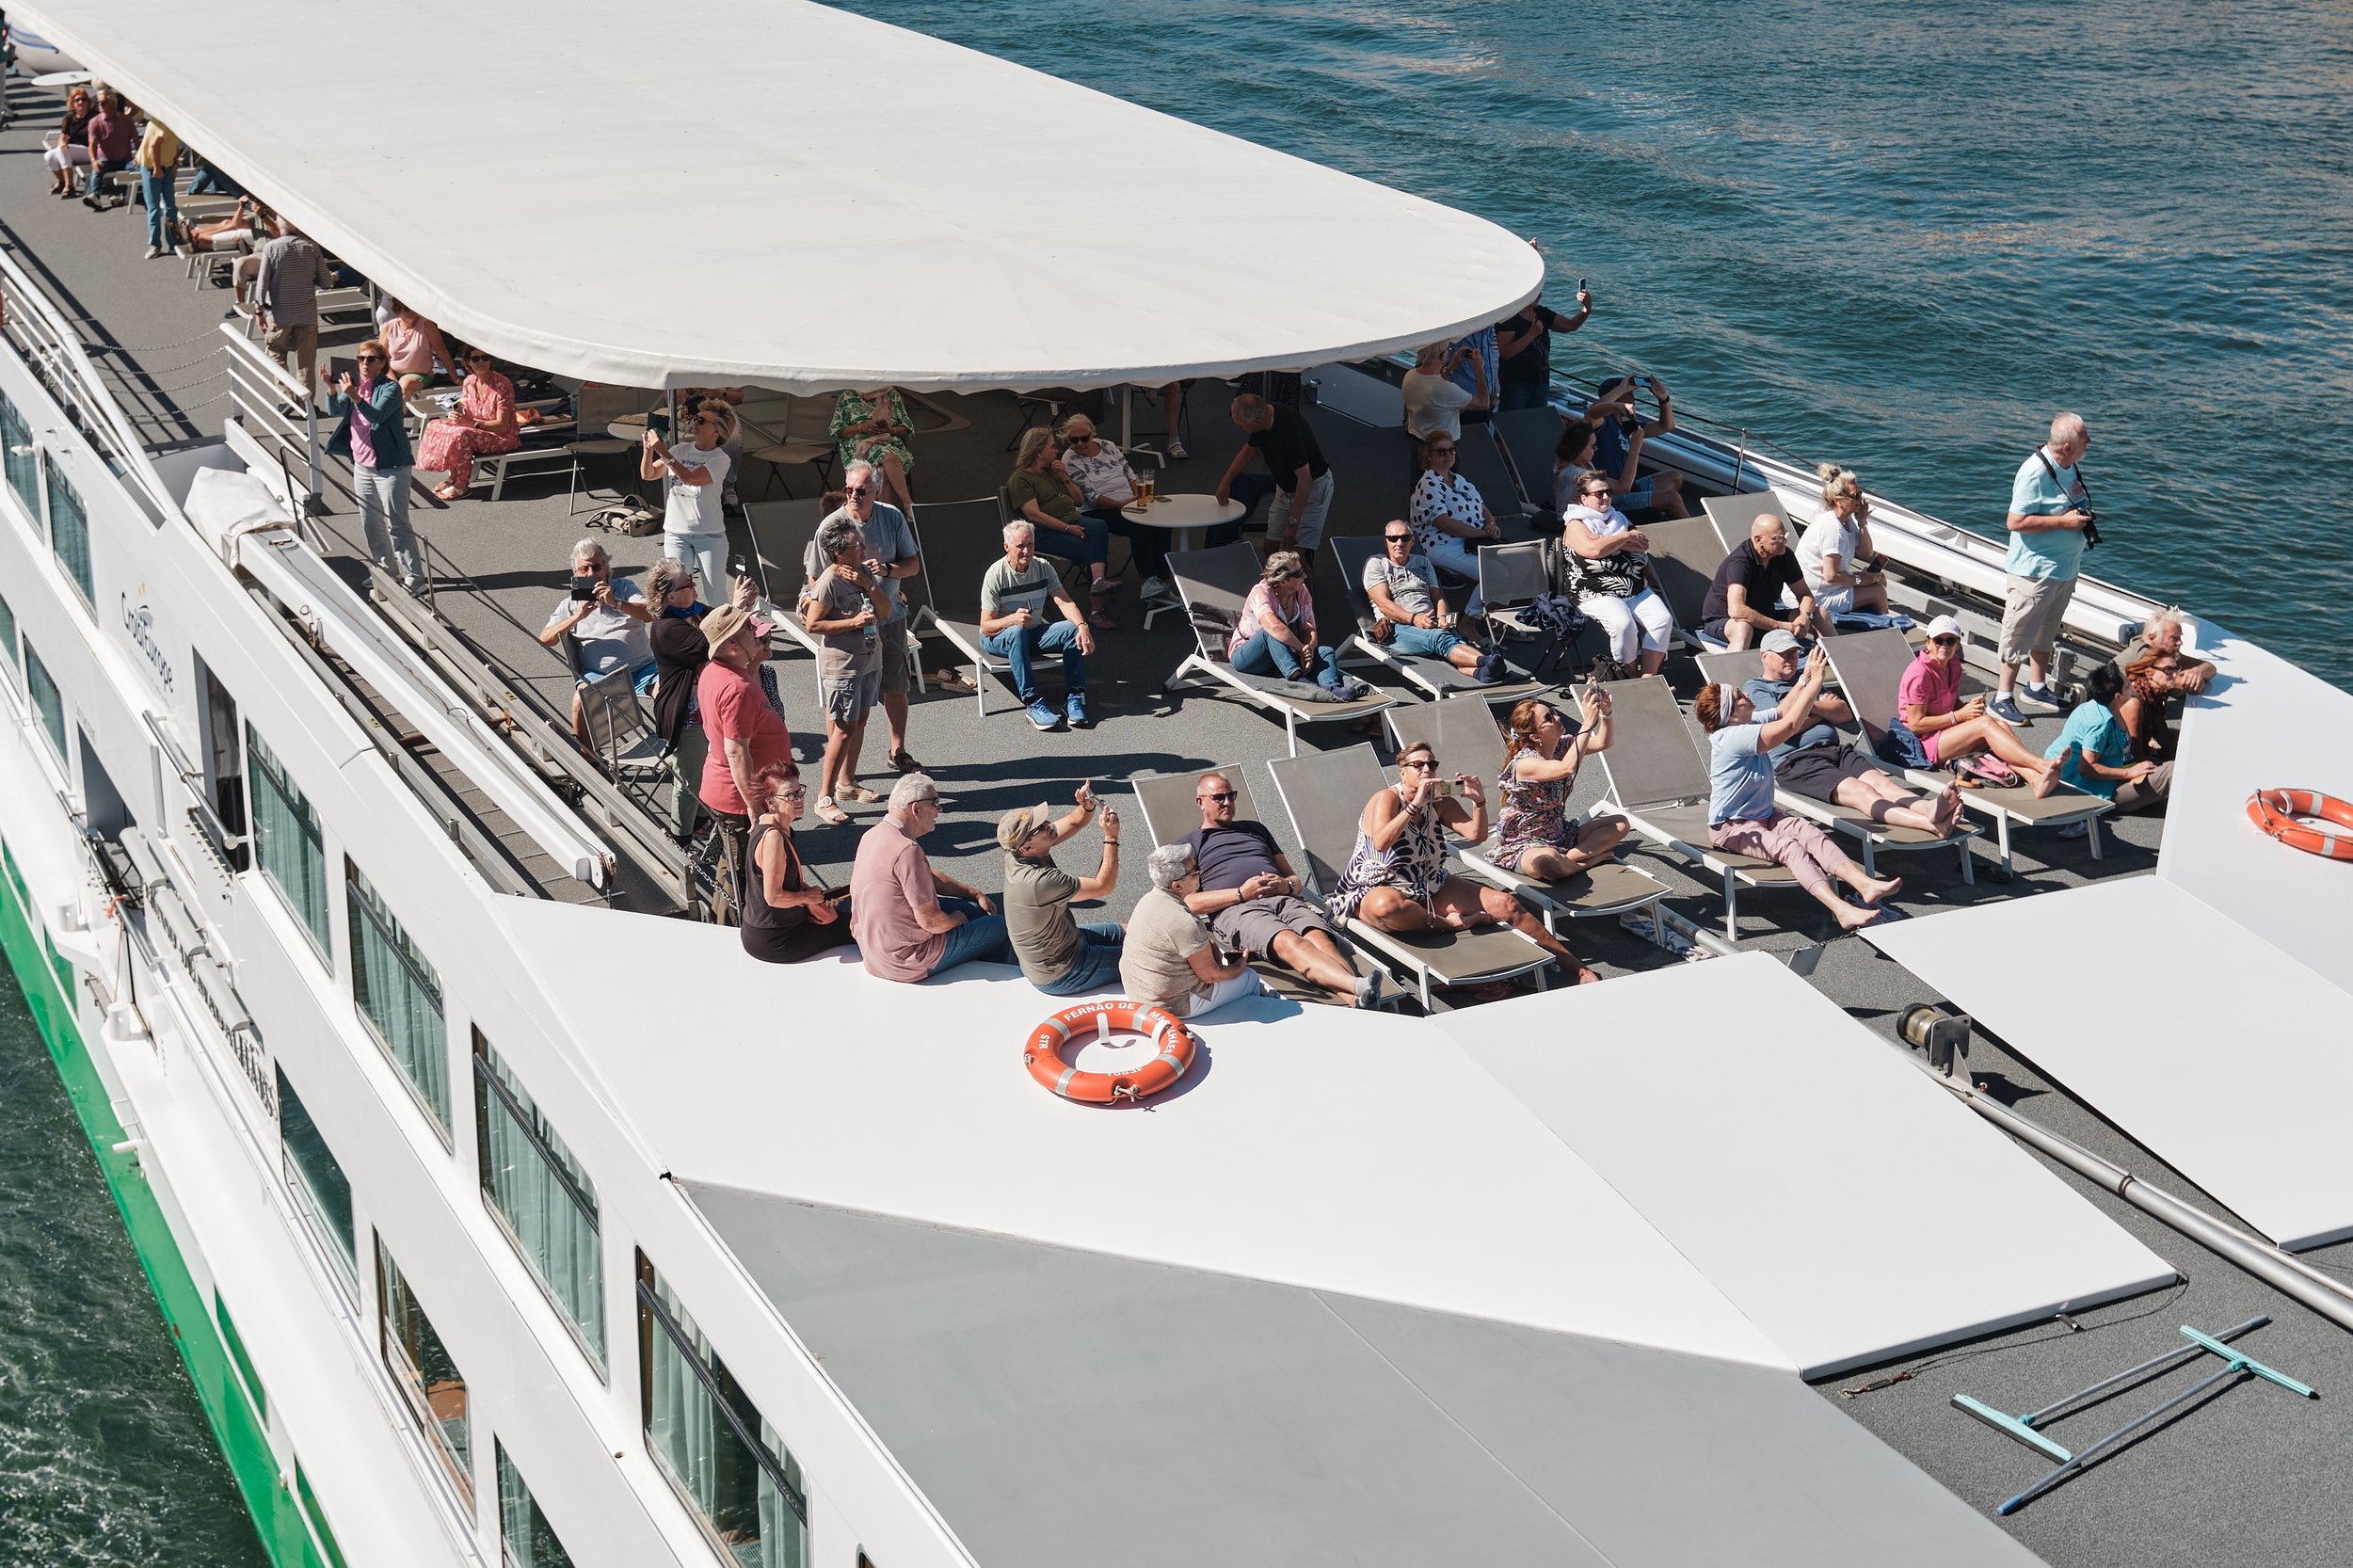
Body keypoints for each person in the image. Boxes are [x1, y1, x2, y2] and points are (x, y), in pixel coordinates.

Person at [1328, 740, 1595, 982]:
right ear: (1402, 772)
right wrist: (1414, 805)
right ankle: (1449, 923)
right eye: (1417, 765)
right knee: (1386, 907)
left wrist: (1479, 803)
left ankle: (1578, 968)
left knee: (1506, 904)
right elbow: (1381, 842)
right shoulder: (1386, 798)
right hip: (1375, 888)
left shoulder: (1439, 802)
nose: (1426, 769)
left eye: (1431, 764)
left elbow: (1476, 835)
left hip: (1429, 885)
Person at [1695, 653, 1904, 932]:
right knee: (1790, 848)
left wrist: (1805, 679)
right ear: (1731, 714)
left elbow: (1782, 711)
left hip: (1764, 815)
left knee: (1810, 833)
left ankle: (1864, 884)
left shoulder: (1744, 722)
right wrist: (1817, 683)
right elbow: (1790, 725)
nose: (1745, 693)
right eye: (1739, 696)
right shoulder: (1732, 737)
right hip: (1731, 828)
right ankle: (1841, 909)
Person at [1181, 771, 1384, 1009]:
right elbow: (1188, 903)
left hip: (1284, 899)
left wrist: (1285, 885)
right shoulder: (1190, 844)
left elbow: (1295, 881)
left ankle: (1359, 1001)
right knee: (1290, 942)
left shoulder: (1256, 829)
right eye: (1219, 797)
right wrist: (1240, 893)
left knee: (1321, 940)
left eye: (1231, 795)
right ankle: (1358, 987)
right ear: (1200, 802)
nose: (1227, 802)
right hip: (1238, 910)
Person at [1742, 630, 1961, 835]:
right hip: (1797, 762)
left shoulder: (1808, 677)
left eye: (1794, 652)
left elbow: (1843, 714)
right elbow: (1783, 727)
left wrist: (1807, 706)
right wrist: (1818, 706)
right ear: (1765, 657)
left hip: (1835, 750)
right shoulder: (1757, 688)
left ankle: (1929, 808)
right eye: (1783, 654)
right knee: (1862, 792)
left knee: (1883, 784)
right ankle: (1929, 824)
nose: (1790, 658)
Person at [807, 460, 923, 774]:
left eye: (860, 490)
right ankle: (839, 771)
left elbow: (912, 565)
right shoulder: (831, 526)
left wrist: (886, 571)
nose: (853, 496)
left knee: (895, 685)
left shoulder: (891, 517)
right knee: (847, 703)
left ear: (876, 490)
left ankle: (897, 750)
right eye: (848, 490)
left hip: (889, 617)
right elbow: (815, 580)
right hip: (849, 629)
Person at [850, 774, 1014, 982]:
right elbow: (931, 921)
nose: (939, 810)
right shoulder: (906, 850)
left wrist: (974, 893)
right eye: (935, 803)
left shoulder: (873, 835)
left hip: (875, 951)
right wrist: (956, 920)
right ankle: (996, 983)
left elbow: (927, 878)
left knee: (974, 908)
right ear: (916, 809)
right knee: (998, 927)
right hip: (905, 961)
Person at [1878, 616, 2064, 795]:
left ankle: (2034, 778)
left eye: (1950, 641)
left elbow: (1951, 703)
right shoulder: (1919, 674)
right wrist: (1959, 716)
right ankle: (2040, 765)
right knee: (1985, 724)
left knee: (2001, 725)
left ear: (1957, 644)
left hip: (1943, 734)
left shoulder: (1953, 665)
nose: (1944, 645)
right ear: (1928, 643)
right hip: (1921, 744)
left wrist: (1968, 708)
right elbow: (1915, 725)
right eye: (1938, 640)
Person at [1059, 413, 1231, 601]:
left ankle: (1162, 580)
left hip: (1129, 502)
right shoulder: (1070, 458)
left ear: (1092, 434)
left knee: (1161, 521)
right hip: (1100, 509)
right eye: (1074, 440)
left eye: (1084, 438)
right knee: (1140, 525)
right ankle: (1149, 580)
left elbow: (1130, 474)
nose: (1080, 443)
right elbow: (1091, 497)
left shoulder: (1107, 445)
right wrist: (1121, 505)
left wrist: (1136, 497)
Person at [1993, 411, 2094, 723]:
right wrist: (2063, 522)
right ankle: (2002, 696)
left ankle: (2036, 686)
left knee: (2046, 630)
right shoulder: (2033, 473)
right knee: (2019, 631)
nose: (2089, 443)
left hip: (2063, 568)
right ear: (2067, 447)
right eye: (2084, 440)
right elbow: (2015, 522)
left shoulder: (2069, 465)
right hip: (2034, 573)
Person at [644, 556, 754, 841]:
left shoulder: (693, 611)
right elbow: (708, 644)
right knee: (689, 779)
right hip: (688, 714)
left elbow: (720, 621)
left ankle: (700, 822)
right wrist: (737, 607)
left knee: (707, 768)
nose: (694, 587)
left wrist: (742, 609)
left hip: (707, 707)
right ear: (670, 596)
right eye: (688, 584)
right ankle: (680, 838)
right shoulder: (666, 628)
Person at [799, 515, 891, 824]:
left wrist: (868, 585)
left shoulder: (863, 572)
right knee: (842, 729)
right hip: (844, 667)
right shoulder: (828, 582)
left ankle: (846, 784)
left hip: (868, 660)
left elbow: (885, 610)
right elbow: (813, 624)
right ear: (839, 553)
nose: (864, 548)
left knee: (860, 722)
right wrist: (852, 623)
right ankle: (824, 797)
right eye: (857, 545)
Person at [695, 604, 793, 875]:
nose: (756, 632)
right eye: (749, 629)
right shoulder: (737, 688)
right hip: (740, 799)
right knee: (741, 873)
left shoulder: (716, 672)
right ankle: (729, 919)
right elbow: (737, 753)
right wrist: (754, 805)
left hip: (733, 792)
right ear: (731, 643)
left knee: (742, 868)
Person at [1000, 790, 1127, 997]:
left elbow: (1073, 822)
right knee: (1149, 959)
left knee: (1132, 930)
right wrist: (1111, 837)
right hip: (1062, 971)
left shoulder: (1015, 852)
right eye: (1039, 827)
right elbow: (1103, 886)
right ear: (1027, 847)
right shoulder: (1039, 881)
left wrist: (1087, 806)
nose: (1048, 824)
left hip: (1068, 941)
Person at [1494, 695, 1632, 879]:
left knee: (1621, 824)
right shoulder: (1525, 763)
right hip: (1525, 841)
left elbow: (1602, 743)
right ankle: (1581, 863)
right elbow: (1567, 768)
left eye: (1553, 713)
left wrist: (1606, 713)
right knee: (1546, 861)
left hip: (1558, 831)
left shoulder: (1562, 746)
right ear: (1535, 737)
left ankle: (1569, 859)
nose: (1557, 718)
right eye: (1548, 719)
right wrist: (1588, 721)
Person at [323, 342, 422, 591]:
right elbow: (335, 410)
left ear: (382, 363)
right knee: (371, 522)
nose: (364, 363)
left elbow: (376, 415)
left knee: (397, 524)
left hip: (391, 467)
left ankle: (415, 578)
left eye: (370, 359)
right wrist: (331, 389)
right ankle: (387, 570)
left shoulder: (390, 388)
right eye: (361, 358)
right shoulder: (354, 387)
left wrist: (355, 395)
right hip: (363, 467)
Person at [1124, 845, 1264, 1019]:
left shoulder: (1148, 901)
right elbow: (1212, 975)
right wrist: (1239, 966)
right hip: (1173, 1005)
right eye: (1194, 872)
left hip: (1139, 992)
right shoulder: (1185, 922)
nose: (1200, 872)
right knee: (1250, 978)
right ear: (1177, 886)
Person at [981, 520, 1096, 732]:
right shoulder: (995, 574)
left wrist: (1082, 625)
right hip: (999, 636)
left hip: (1033, 633)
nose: (1027, 551)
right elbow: (986, 626)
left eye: (1031, 545)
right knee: (1016, 632)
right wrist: (1011, 620)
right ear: (1007, 547)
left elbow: (1064, 601)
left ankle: (1073, 697)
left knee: (1072, 629)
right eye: (1021, 546)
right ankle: (1032, 702)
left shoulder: (1043, 568)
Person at [741, 761, 856, 964]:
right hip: (777, 939)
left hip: (765, 930)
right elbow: (774, 898)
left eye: (799, 791)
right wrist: (808, 897)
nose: (799, 799)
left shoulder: (769, 825)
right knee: (858, 926)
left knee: (847, 919)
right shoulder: (774, 838)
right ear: (770, 802)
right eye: (790, 795)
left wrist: (813, 897)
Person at [1560, 472, 1671, 676]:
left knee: (1662, 619)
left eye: (1608, 492)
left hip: (1635, 588)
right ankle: (1628, 677)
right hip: (1595, 592)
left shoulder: (1618, 518)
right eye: (1599, 493)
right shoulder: (1576, 524)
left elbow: (1642, 545)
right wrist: (1625, 537)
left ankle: (1648, 678)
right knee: (1623, 624)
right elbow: (1594, 550)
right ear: (1584, 498)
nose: (1605, 497)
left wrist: (1608, 540)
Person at [1361, 523, 1500, 681]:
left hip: (1431, 622)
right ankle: (1487, 661)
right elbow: (1384, 605)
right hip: (1397, 629)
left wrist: (1442, 617)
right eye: (1393, 538)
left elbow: (1438, 596)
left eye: (1405, 538)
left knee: (1457, 643)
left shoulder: (1423, 562)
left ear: (1412, 541)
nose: (1399, 543)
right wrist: (1415, 619)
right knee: (1439, 638)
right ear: (1386, 541)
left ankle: (1483, 673)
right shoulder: (1377, 563)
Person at [1006, 426, 1116, 623]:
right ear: (1038, 451)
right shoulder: (1020, 479)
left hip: (1072, 520)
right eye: (1052, 447)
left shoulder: (1052, 471)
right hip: (1045, 532)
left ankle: (1098, 584)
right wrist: (1068, 529)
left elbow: (1079, 501)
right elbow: (1035, 516)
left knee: (1099, 526)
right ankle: (1097, 609)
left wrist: (1064, 478)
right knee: (1093, 552)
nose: (1056, 451)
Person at [2044, 664, 2169, 830]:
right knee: (2171, 772)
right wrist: (2130, 772)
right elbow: (2086, 768)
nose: (2131, 685)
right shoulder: (2100, 724)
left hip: (2097, 778)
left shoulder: (2098, 707)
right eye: (2127, 685)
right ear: (2117, 696)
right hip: (2089, 790)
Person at [1214, 392, 1335, 559]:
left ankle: (1303, 585)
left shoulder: (1289, 431)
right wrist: (1226, 482)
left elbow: (1305, 480)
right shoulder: (1263, 418)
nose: (1241, 429)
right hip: (1285, 488)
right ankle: (1278, 585)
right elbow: (1249, 450)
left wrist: (1293, 523)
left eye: (1242, 426)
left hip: (1312, 489)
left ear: (1257, 422)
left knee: (1295, 556)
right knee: (1271, 546)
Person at [640, 400, 734, 605]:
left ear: (717, 430)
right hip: (676, 532)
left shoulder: (721, 459)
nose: (695, 422)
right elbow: (649, 474)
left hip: (709, 534)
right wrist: (648, 450)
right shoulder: (681, 449)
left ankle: (720, 635)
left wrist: (663, 451)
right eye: (695, 418)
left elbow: (691, 478)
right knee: (677, 594)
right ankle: (686, 634)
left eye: (701, 420)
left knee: (715, 595)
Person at [1231, 551, 1362, 695]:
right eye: (1299, 573)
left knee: (1325, 652)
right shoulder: (1261, 593)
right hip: (1248, 657)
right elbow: (1274, 627)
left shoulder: (1302, 591)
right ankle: (1300, 682)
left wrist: (1309, 650)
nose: (1304, 576)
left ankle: (1331, 688)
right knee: (1269, 634)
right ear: (1283, 581)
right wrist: (1301, 649)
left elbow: (1309, 627)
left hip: (1283, 654)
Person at [1407, 431, 1502, 615]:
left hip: (1469, 542)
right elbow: (1444, 523)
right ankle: (1470, 620)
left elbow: (1483, 507)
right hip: (1442, 545)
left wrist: (1491, 524)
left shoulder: (1460, 481)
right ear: (1429, 455)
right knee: (1494, 574)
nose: (1449, 455)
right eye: (1442, 452)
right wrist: (1482, 533)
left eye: (1452, 450)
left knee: (1516, 566)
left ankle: (1492, 618)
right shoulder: (1429, 484)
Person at [1700, 512, 1822, 650]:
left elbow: (1804, 594)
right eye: (1778, 538)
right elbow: (1736, 610)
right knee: (1743, 628)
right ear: (1758, 540)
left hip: (1765, 616)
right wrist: (1779, 625)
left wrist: (1805, 616)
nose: (1784, 542)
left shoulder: (1784, 556)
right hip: (1725, 622)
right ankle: (1736, 670)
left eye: (1785, 536)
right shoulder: (1740, 563)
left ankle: (1836, 660)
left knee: (1820, 614)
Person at [415, 349, 520, 502]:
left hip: (502, 436)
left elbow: (502, 426)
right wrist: (458, 415)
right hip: (477, 430)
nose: (481, 362)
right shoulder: (469, 382)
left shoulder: (502, 384)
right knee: (435, 425)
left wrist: (472, 423)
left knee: (461, 434)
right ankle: (454, 475)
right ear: (468, 363)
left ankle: (462, 484)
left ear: (491, 360)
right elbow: (469, 411)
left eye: (485, 358)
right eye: (475, 359)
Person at [2117, 607, 2214, 761]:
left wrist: (2197, 672)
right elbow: (2189, 686)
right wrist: (2195, 679)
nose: (2180, 642)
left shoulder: (2165, 655)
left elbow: (2210, 667)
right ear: (2153, 638)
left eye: (2180, 637)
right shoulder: (2147, 656)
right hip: (2120, 718)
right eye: (2174, 638)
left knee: (2186, 740)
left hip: (2144, 711)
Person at [1585, 375, 1688, 518]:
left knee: (1674, 477)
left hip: (1629, 486)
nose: (1631, 395)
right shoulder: (1603, 423)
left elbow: (1666, 426)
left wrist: (1663, 398)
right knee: (1673, 499)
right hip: (1612, 495)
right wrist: (1621, 389)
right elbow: (1591, 413)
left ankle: (1650, 515)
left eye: (1631, 392)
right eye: (1627, 392)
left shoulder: (1629, 424)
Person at [1799, 466, 1889, 618]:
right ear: (1839, 500)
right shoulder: (1832, 528)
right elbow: (1830, 576)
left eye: (1860, 494)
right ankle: (1886, 630)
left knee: (1880, 580)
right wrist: (1860, 580)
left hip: (1828, 588)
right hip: (1815, 596)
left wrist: (1862, 522)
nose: (1859, 500)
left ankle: (1874, 623)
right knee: (1878, 591)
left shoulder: (1847, 521)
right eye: (1855, 496)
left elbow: (1865, 552)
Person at [254, 214, 328, 392]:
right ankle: (306, 405)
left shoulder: (271, 248)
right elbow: (326, 282)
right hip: (307, 313)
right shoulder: (312, 247)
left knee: (277, 354)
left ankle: (286, 398)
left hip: (280, 314)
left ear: (279, 227)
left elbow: (262, 282)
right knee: (306, 361)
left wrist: (259, 311)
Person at [1493, 280, 1591, 412]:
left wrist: (1586, 310)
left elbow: (1570, 326)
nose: (1539, 296)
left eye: (1539, 292)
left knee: (1535, 424)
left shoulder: (1541, 313)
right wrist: (1531, 334)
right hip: (1516, 382)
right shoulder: (1508, 317)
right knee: (1511, 425)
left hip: (1541, 381)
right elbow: (1506, 352)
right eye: (1535, 292)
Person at [829, 387, 916, 514]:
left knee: (883, 471)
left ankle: (882, 517)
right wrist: (861, 427)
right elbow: (837, 432)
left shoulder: (891, 395)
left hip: (888, 441)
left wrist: (889, 430)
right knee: (889, 457)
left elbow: (908, 428)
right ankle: (908, 503)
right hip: (858, 447)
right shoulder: (848, 396)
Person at [1401, 341, 1488, 443]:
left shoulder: (1409, 376)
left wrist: (1452, 366)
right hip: (1443, 448)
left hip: (1417, 440)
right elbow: (1483, 403)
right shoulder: (1447, 390)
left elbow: (1435, 384)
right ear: (1442, 355)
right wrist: (1479, 370)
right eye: (1448, 350)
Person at [380, 303, 459, 400]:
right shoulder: (388, 327)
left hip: (420, 375)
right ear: (397, 310)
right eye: (407, 309)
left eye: (415, 307)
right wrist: (392, 378)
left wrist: (456, 378)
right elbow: (381, 357)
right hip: (392, 373)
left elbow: (443, 353)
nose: (412, 311)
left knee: (404, 385)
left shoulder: (426, 325)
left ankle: (398, 415)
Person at [135, 115, 181, 258]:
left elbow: (174, 144)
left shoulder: (178, 124)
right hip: (152, 168)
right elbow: (154, 146)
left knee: (171, 207)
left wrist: (175, 163)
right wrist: (157, 169)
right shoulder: (165, 123)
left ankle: (174, 243)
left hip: (167, 166)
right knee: (154, 208)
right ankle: (155, 245)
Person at [81, 89, 136, 209]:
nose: (99, 105)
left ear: (112, 103)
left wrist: (138, 157)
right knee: (97, 168)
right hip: (106, 160)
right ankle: (95, 196)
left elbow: (137, 141)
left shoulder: (126, 121)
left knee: (142, 167)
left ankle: (148, 192)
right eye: (98, 103)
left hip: (126, 160)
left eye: (103, 102)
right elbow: (92, 145)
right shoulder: (94, 122)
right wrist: (93, 160)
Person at [45, 87, 94, 197]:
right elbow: (63, 135)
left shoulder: (93, 116)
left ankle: (70, 185)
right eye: (77, 100)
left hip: (89, 150)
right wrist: (62, 142)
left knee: (63, 150)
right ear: (73, 103)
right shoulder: (69, 117)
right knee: (49, 156)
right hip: (73, 150)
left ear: (88, 102)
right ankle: (62, 181)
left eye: (83, 99)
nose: (80, 102)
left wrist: (63, 146)